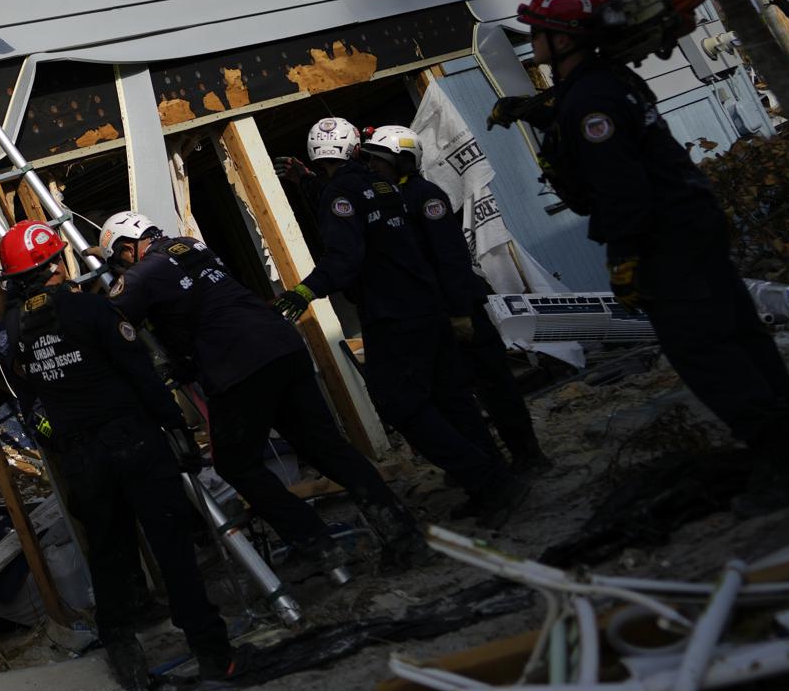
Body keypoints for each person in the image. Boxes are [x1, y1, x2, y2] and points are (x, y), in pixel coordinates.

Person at [500, 0, 789, 514]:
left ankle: (783, 463)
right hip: (689, 224)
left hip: (667, 238)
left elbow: (622, 186)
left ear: (565, 39)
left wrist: (625, 259)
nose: (532, 38)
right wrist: (537, 113)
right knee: (737, 330)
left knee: (704, 350)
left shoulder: (592, 97)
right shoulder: (600, 83)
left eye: (538, 29)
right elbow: (596, 132)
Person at [96, 211, 428, 573]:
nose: (121, 269)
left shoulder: (141, 275)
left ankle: (314, 542)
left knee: (236, 464)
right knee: (327, 448)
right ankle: (402, 535)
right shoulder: (190, 246)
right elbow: (197, 307)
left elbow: (110, 324)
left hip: (238, 366)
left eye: (118, 262)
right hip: (282, 346)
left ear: (127, 249)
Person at [0, 220, 240, 690]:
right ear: (53, 264)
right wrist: (175, 425)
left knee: (109, 555)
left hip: (82, 459)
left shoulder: (9, 332)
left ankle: (123, 653)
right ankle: (212, 652)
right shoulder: (90, 309)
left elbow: (29, 404)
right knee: (171, 546)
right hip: (135, 440)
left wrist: (59, 439)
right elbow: (139, 374)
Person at [275, 118, 529, 525]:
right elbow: (363, 218)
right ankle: (496, 479)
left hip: (394, 316)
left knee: (401, 404)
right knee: (452, 399)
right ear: (357, 149)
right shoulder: (383, 187)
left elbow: (346, 255)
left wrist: (305, 291)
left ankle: (485, 479)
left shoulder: (346, 192)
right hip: (429, 309)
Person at [362, 125, 550, 475]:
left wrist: (461, 312)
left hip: (460, 310)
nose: (372, 167)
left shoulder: (426, 197)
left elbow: (451, 259)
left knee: (494, 384)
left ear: (402, 161)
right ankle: (487, 465)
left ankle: (529, 455)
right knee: (456, 396)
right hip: (431, 315)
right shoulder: (387, 202)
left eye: (378, 160)